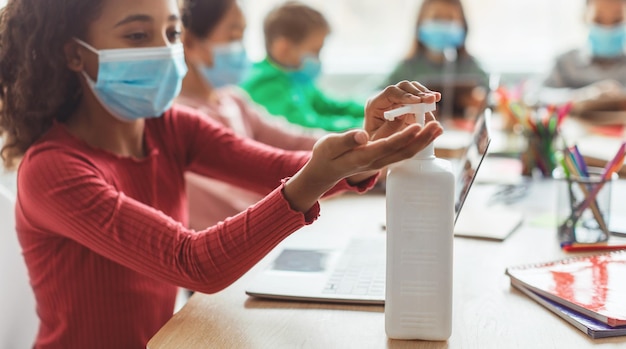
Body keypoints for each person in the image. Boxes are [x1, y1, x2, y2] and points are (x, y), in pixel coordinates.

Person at [0, 0, 443, 347]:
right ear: (75, 55)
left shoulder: (169, 127)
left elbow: (280, 167)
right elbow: (192, 262)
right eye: (138, 34)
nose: (165, 50)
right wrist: (320, 175)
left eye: (172, 32)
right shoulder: (53, 171)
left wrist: (365, 143)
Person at [179, 0, 323, 229]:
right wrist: (334, 174)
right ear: (190, 43)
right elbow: (236, 194)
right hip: (236, 237)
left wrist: (360, 143)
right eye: (233, 37)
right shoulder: (180, 118)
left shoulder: (233, 100)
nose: (242, 49)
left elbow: (292, 140)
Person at [240, 1, 365, 132]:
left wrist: (371, 109)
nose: (318, 59)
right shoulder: (265, 85)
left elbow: (331, 106)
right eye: (315, 51)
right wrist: (363, 125)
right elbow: (305, 127)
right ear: (284, 48)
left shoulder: (297, 78)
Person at [382, 0, 487, 119]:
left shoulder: (471, 67)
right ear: (420, 22)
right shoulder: (407, 68)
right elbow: (377, 97)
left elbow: (496, 96)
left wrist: (482, 101)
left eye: (450, 19)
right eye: (436, 18)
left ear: (463, 25)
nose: (443, 24)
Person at [540, 0, 626, 105]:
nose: (607, 29)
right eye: (598, 20)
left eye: (617, 21)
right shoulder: (565, 63)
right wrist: (582, 96)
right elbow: (537, 95)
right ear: (584, 17)